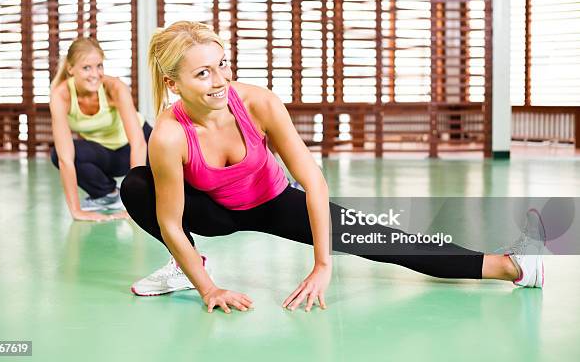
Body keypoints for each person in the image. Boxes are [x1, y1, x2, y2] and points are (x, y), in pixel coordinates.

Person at [120, 21, 544, 314]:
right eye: (203, 73)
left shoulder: (257, 103)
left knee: (384, 239)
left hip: (273, 200)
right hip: (211, 214)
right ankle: (186, 266)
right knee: (137, 186)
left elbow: (313, 180)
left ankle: (511, 266)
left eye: (223, 64)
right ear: (174, 83)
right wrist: (208, 288)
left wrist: (323, 264)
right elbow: (172, 222)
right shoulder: (170, 135)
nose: (219, 81)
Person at [49, 37, 152, 222]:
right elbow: (65, 158)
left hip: (142, 146)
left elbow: (138, 143)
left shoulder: (114, 88)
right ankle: (109, 195)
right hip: (106, 154)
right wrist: (76, 211)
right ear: (70, 69)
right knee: (58, 153)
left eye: (99, 66)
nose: (95, 74)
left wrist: (135, 203)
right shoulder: (60, 95)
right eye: (86, 68)